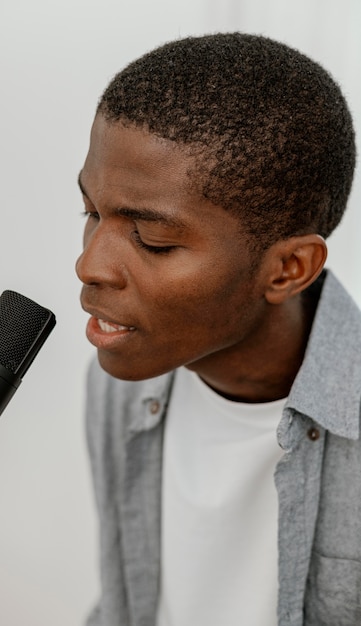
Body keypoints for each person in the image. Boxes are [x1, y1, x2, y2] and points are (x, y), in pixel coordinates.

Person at [75, 33, 359, 626]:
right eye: (91, 213)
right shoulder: (118, 385)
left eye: (152, 240)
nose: (89, 266)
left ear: (288, 268)